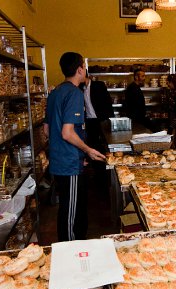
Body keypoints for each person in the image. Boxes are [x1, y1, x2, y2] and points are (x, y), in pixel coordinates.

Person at [43, 52, 106, 242]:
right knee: (70, 211)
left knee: (72, 206)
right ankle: (70, 249)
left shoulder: (55, 93)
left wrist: (80, 154)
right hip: (68, 162)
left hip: (61, 159)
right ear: (80, 69)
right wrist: (86, 149)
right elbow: (67, 132)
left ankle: (76, 244)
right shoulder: (74, 93)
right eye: (84, 67)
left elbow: (47, 130)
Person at [82, 73, 113, 153]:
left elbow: (108, 102)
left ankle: (105, 162)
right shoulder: (80, 88)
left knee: (105, 144)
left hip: (102, 120)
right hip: (89, 121)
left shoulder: (99, 85)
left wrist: (110, 119)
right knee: (92, 144)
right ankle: (95, 164)